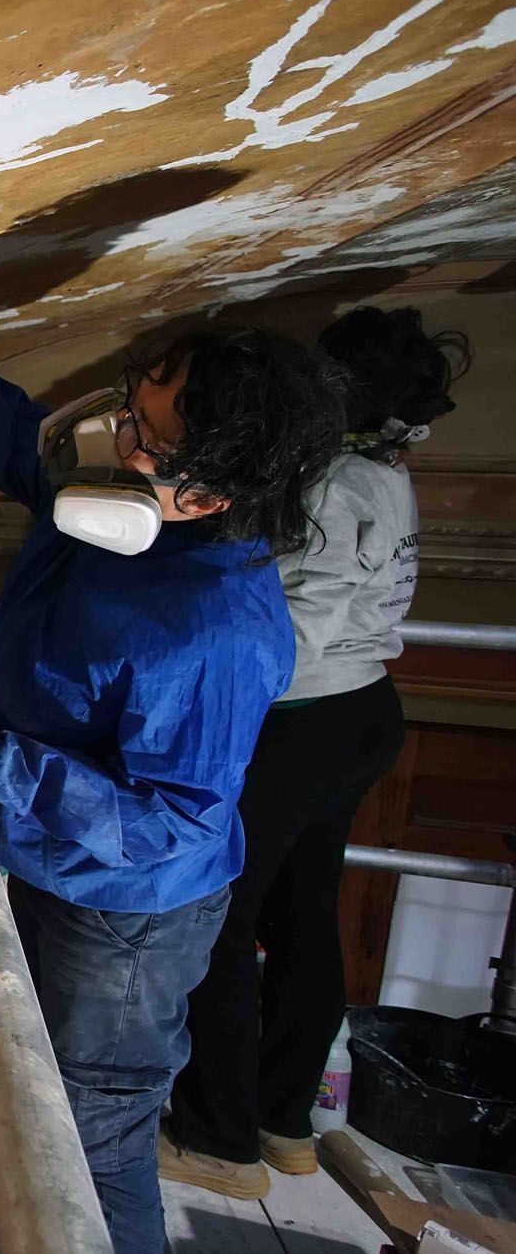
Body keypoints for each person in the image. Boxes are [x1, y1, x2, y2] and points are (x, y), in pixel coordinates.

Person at [0, 261, 343, 1254]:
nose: (118, 439)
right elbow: (0, 430)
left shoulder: (210, 629)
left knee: (92, 1142)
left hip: (122, 922)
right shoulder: (110, 497)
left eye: (147, 439)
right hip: (52, 863)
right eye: (127, 411)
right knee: (48, 1085)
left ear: (207, 491)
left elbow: (168, 821)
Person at [161, 305, 469, 1195]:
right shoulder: (385, 474)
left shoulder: (334, 482)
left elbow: (302, 622)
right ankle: (280, 1119)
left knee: (217, 914)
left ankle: (218, 1139)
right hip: (363, 709)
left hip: (304, 714)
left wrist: (211, 686)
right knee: (302, 913)